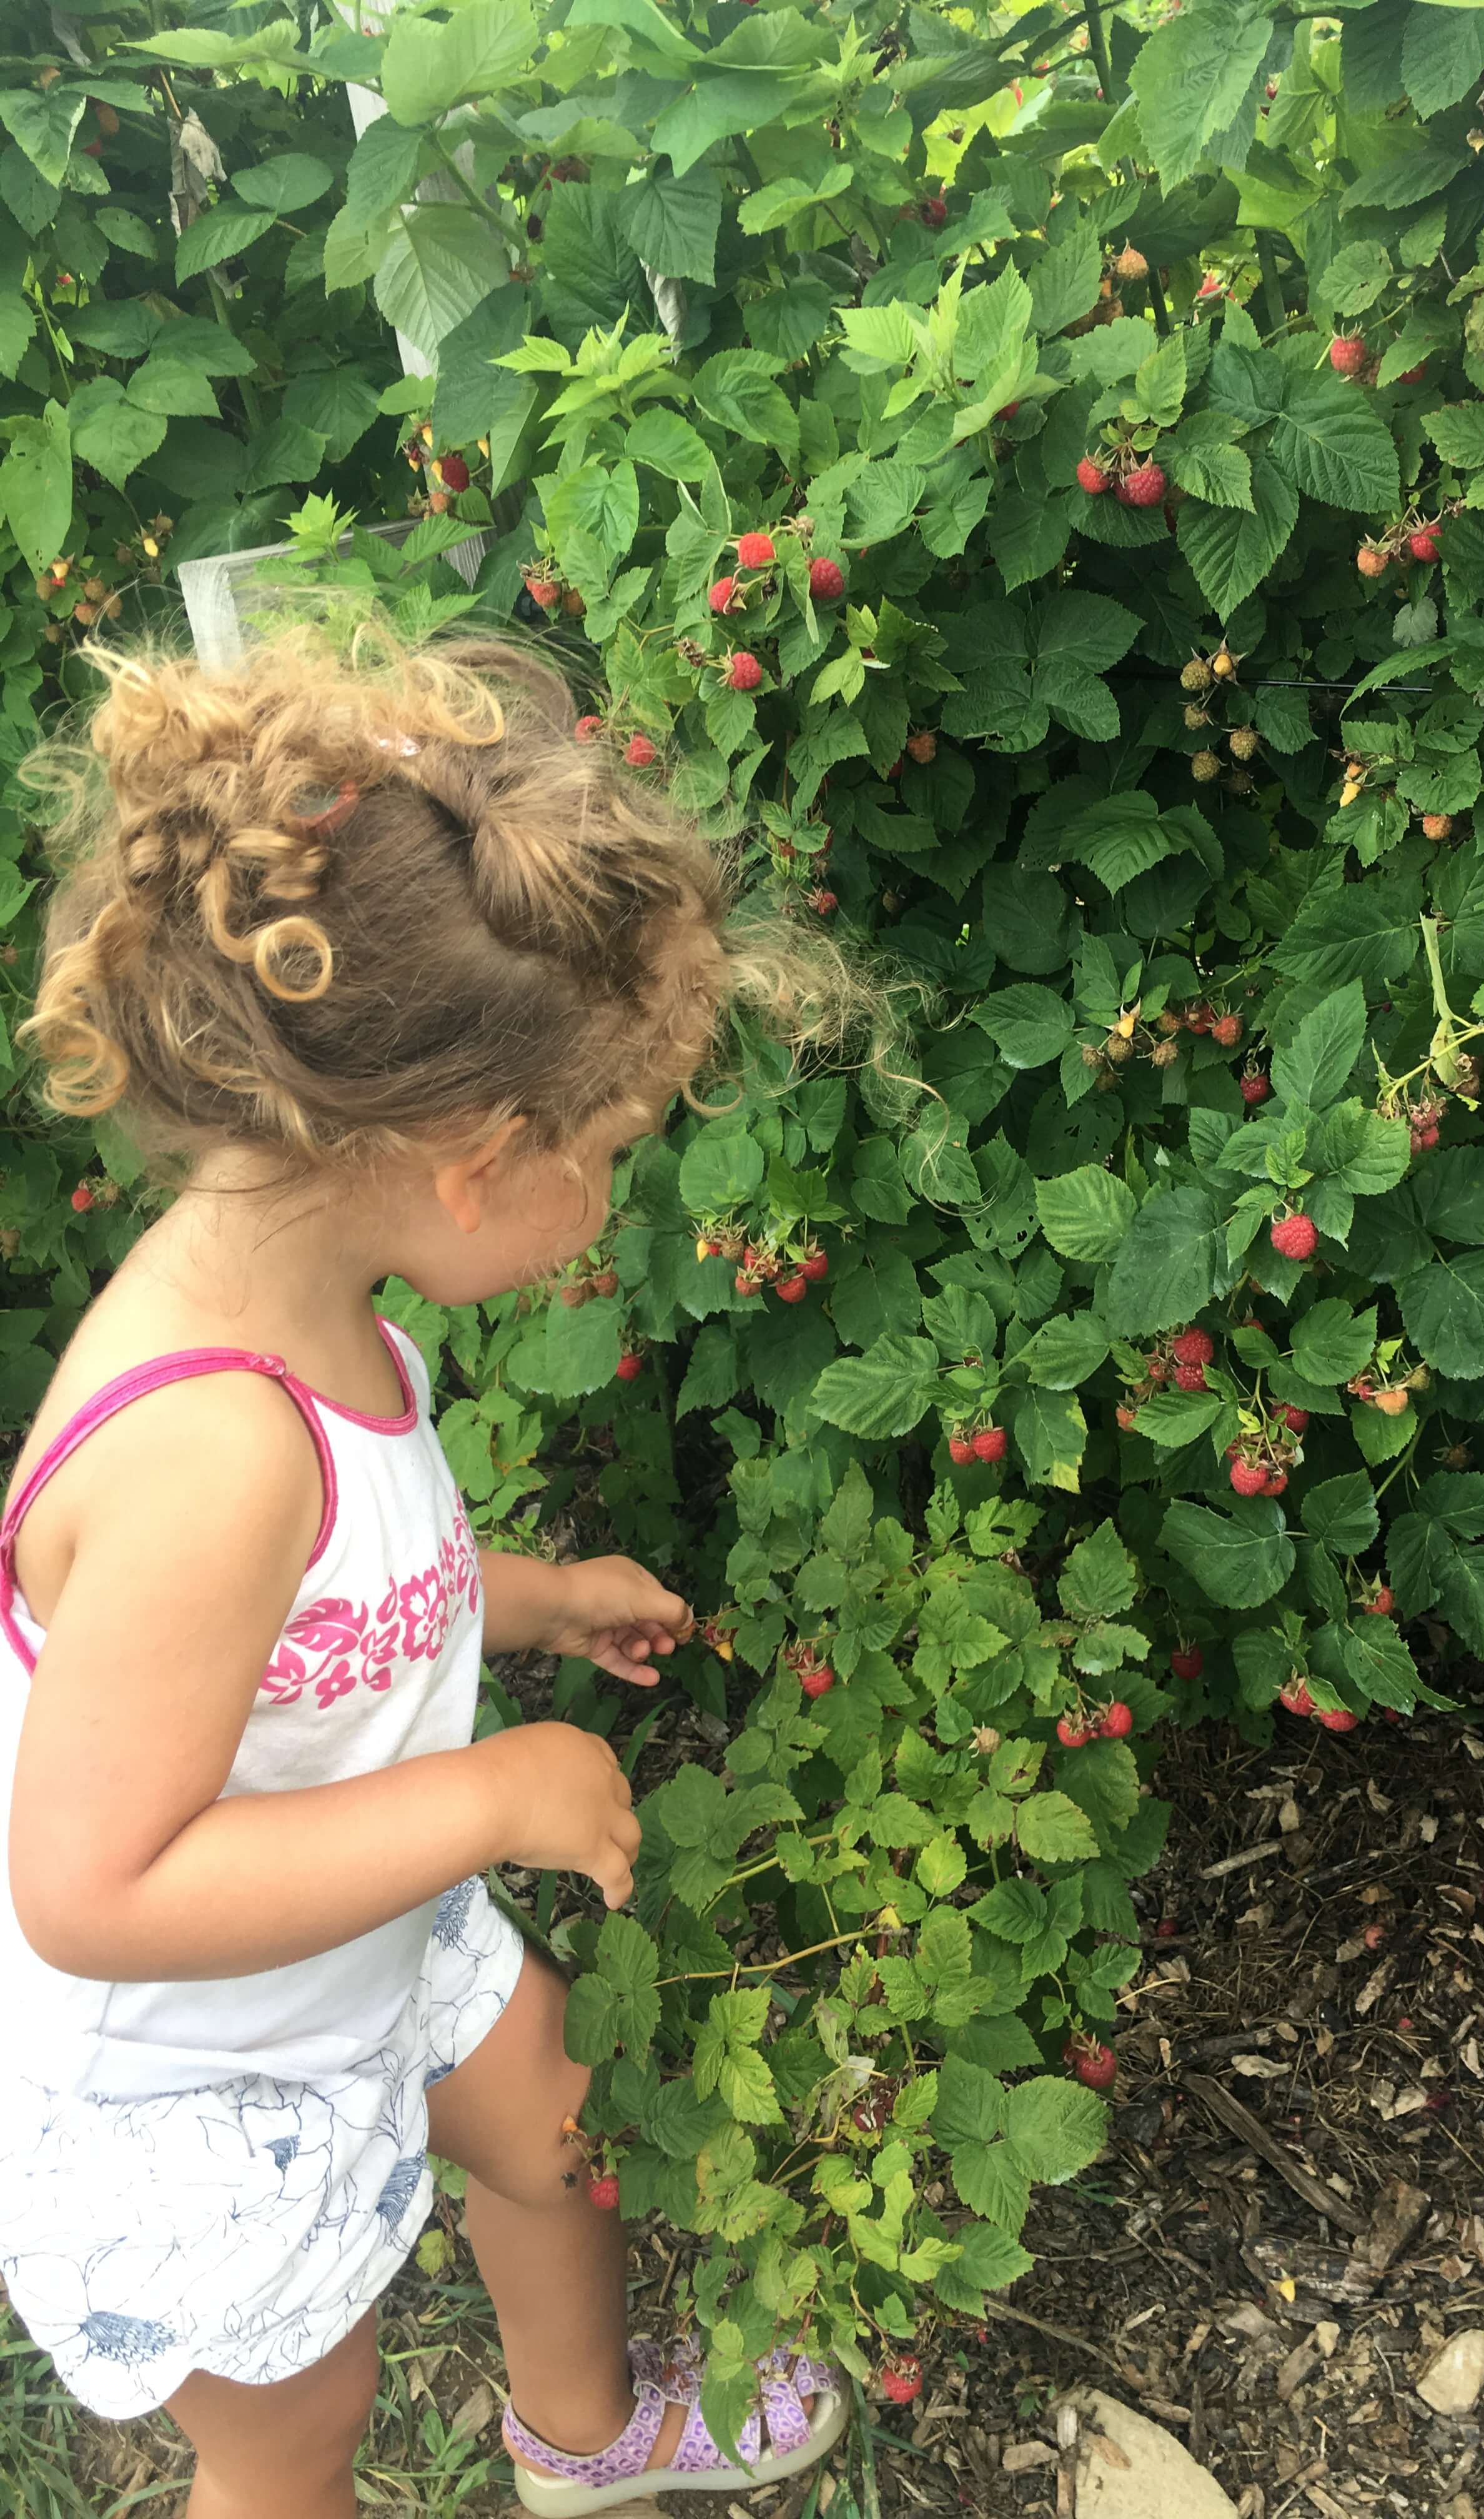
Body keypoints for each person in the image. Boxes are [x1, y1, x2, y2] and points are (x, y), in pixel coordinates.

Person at [0, 630, 853, 2515]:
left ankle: (585, 2435)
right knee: (295, 2439)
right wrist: (481, 1794)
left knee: (550, 2122)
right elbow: (89, 1887)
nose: (614, 1208)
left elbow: (329, 1607)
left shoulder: (318, 1306)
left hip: (357, 1935)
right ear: (473, 1160)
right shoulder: (206, 1456)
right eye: (611, 1156)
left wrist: (526, 1601)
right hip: (199, 2078)